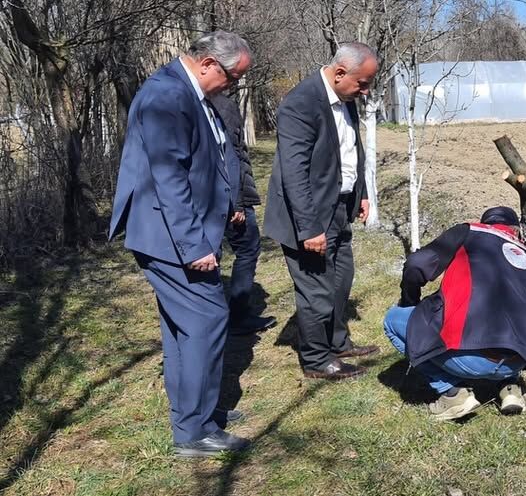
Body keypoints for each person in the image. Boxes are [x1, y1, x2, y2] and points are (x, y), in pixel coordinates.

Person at [108, 31, 253, 458]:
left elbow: (208, 159)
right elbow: (168, 178)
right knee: (207, 321)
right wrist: (193, 245)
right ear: (208, 63)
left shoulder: (188, 93)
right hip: (171, 237)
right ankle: (194, 431)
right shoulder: (166, 97)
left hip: (181, 232)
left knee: (183, 328)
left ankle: (197, 415)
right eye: (232, 77)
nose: (232, 85)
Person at [263, 42, 380, 380]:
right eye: (362, 83)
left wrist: (361, 193)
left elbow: (348, 151)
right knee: (316, 289)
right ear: (340, 73)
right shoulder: (300, 104)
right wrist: (309, 228)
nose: (365, 90)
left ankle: (338, 342)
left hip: (340, 207)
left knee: (341, 279)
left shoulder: (346, 98)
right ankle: (316, 359)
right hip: (310, 215)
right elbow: (294, 174)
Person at [383, 206, 526, 421]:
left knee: (393, 321)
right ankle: (510, 388)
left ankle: (452, 394)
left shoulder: (471, 232)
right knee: (509, 321)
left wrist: (409, 301)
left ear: (486, 223)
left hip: (470, 360)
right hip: (520, 360)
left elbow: (416, 265)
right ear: (515, 231)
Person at [207, 90, 277, 335]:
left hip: (222, 198)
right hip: (229, 199)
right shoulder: (221, 105)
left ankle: (223, 318)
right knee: (244, 250)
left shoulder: (201, 101)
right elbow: (229, 155)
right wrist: (236, 203)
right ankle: (234, 317)